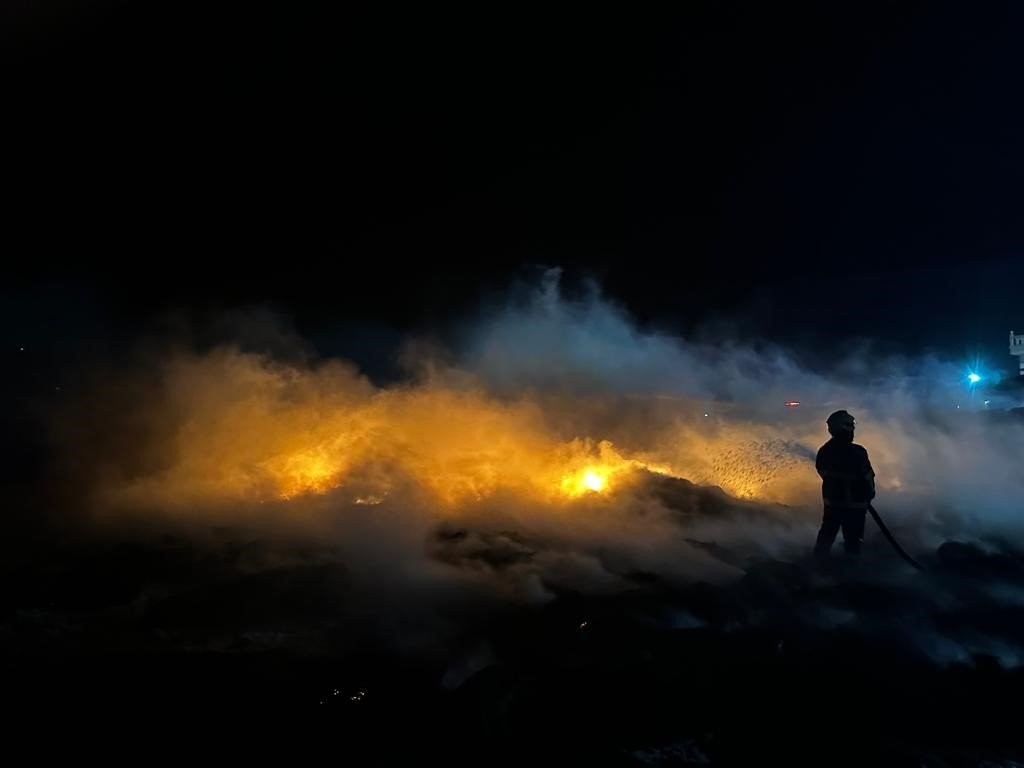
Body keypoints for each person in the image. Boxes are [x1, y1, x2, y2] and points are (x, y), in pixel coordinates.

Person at [814, 410, 875, 557]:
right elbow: (868, 477)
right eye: (850, 426)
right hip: (855, 506)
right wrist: (869, 494)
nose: (853, 430)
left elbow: (823, 473)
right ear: (844, 428)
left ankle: (818, 567)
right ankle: (850, 573)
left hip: (833, 505)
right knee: (853, 542)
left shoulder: (824, 451)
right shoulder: (858, 452)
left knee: (826, 537)